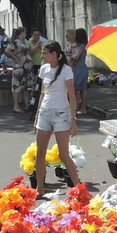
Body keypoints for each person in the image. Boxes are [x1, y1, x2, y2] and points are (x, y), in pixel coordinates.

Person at [33, 41, 82, 195]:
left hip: (61, 114)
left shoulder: (66, 70)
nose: (42, 56)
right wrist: (37, 115)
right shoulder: (44, 69)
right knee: (40, 152)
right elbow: (43, 92)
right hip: (44, 113)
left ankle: (79, 189)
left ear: (54, 54)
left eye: (45, 53)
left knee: (63, 154)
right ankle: (39, 188)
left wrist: (73, 119)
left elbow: (72, 96)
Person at [5, 28, 33, 114]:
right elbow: (7, 50)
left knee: (25, 86)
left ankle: (27, 104)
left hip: (25, 68)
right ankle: (16, 106)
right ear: (21, 33)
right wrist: (16, 58)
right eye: (24, 33)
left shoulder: (23, 42)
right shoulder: (15, 42)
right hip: (19, 68)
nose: (25, 35)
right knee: (17, 86)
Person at [69, 27, 89, 115]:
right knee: (81, 89)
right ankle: (80, 106)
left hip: (80, 68)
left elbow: (77, 56)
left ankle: (81, 107)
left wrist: (71, 57)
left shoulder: (82, 45)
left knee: (78, 88)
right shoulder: (78, 45)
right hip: (79, 67)